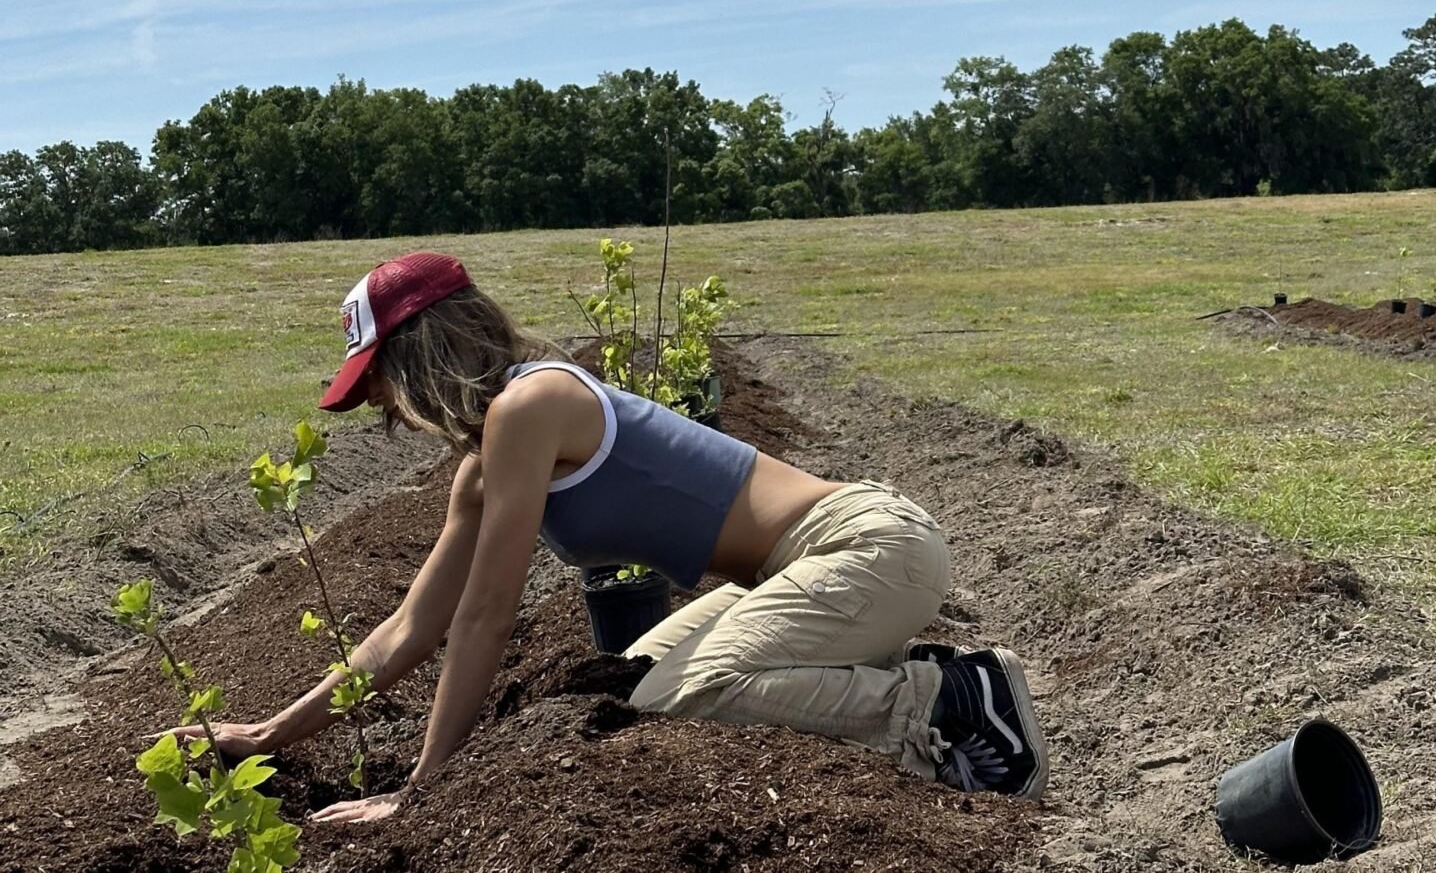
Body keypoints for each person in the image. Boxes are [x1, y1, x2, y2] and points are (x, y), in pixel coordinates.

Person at [167, 251, 1049, 822]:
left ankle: (945, 701)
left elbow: (483, 620)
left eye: (380, 388)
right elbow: (409, 628)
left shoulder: (533, 405)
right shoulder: (485, 466)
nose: (387, 414)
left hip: (867, 546)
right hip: (787, 576)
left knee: (686, 693)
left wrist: (421, 792)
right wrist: (260, 736)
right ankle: (915, 693)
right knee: (630, 689)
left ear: (420, 359)